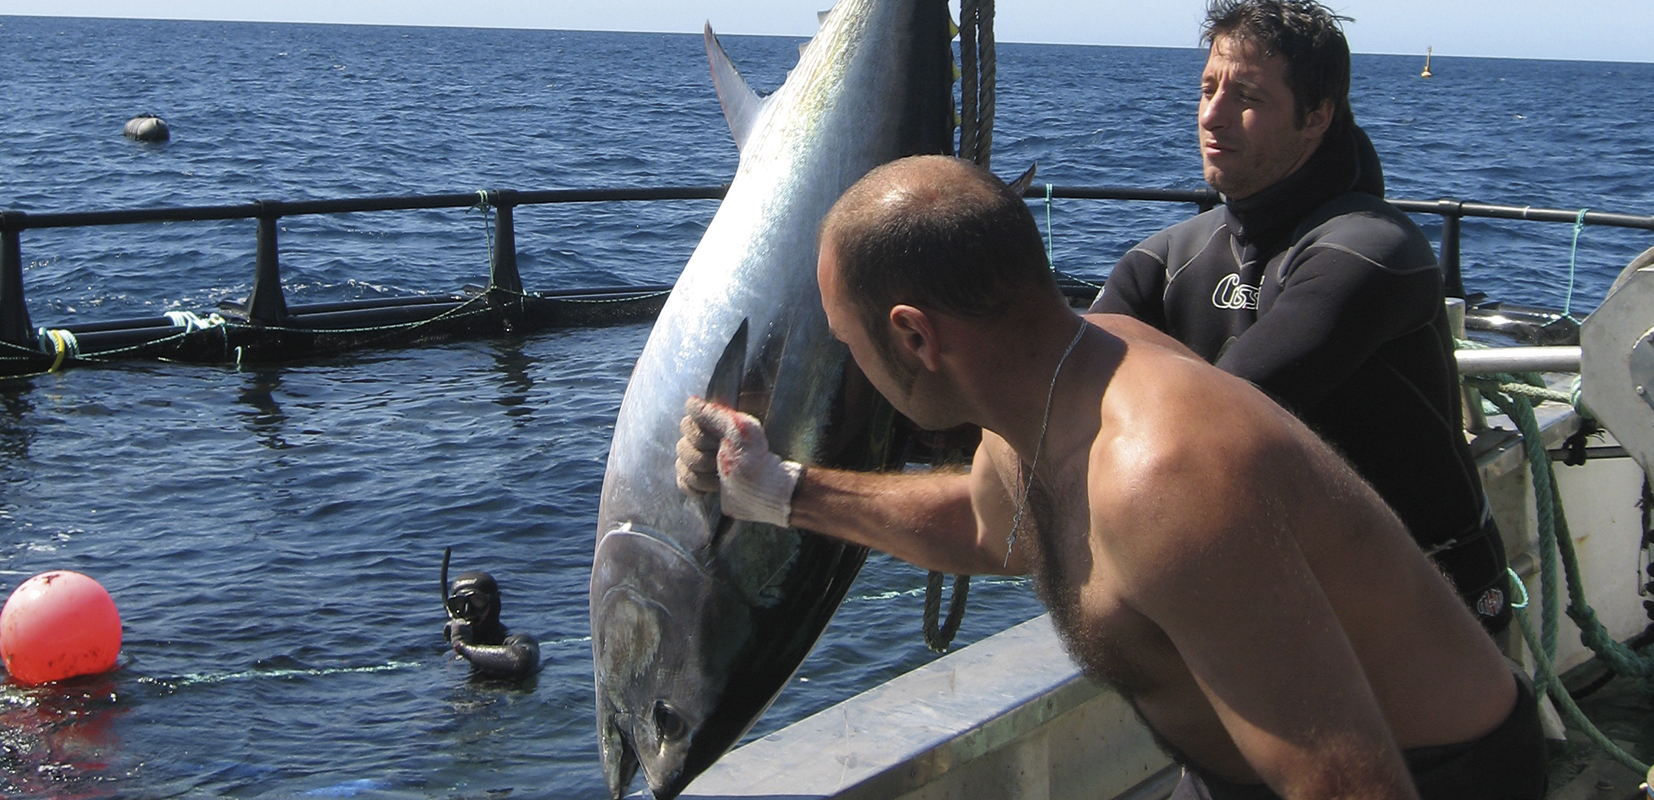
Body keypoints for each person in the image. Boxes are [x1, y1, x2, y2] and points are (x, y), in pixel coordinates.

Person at [676, 155, 1545, 799]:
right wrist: (776, 489)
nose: (848, 361)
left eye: (845, 339)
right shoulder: (1051, 385)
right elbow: (986, 526)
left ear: (913, 336)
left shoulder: (1164, 482)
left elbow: (1355, 789)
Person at [1091, 0, 1511, 632]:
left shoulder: (1371, 250)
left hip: (1421, 604)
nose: (1213, 115)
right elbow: (1059, 380)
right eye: (1208, 89)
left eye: (1247, 97)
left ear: (1317, 116)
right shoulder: (1171, 258)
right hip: (1277, 598)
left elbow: (1224, 412)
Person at [443, 570, 540, 680]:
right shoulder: (452, 649)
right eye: (459, 604)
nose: (467, 610)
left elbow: (521, 661)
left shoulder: (516, 640)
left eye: (477, 601)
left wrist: (461, 645)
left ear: (494, 604)